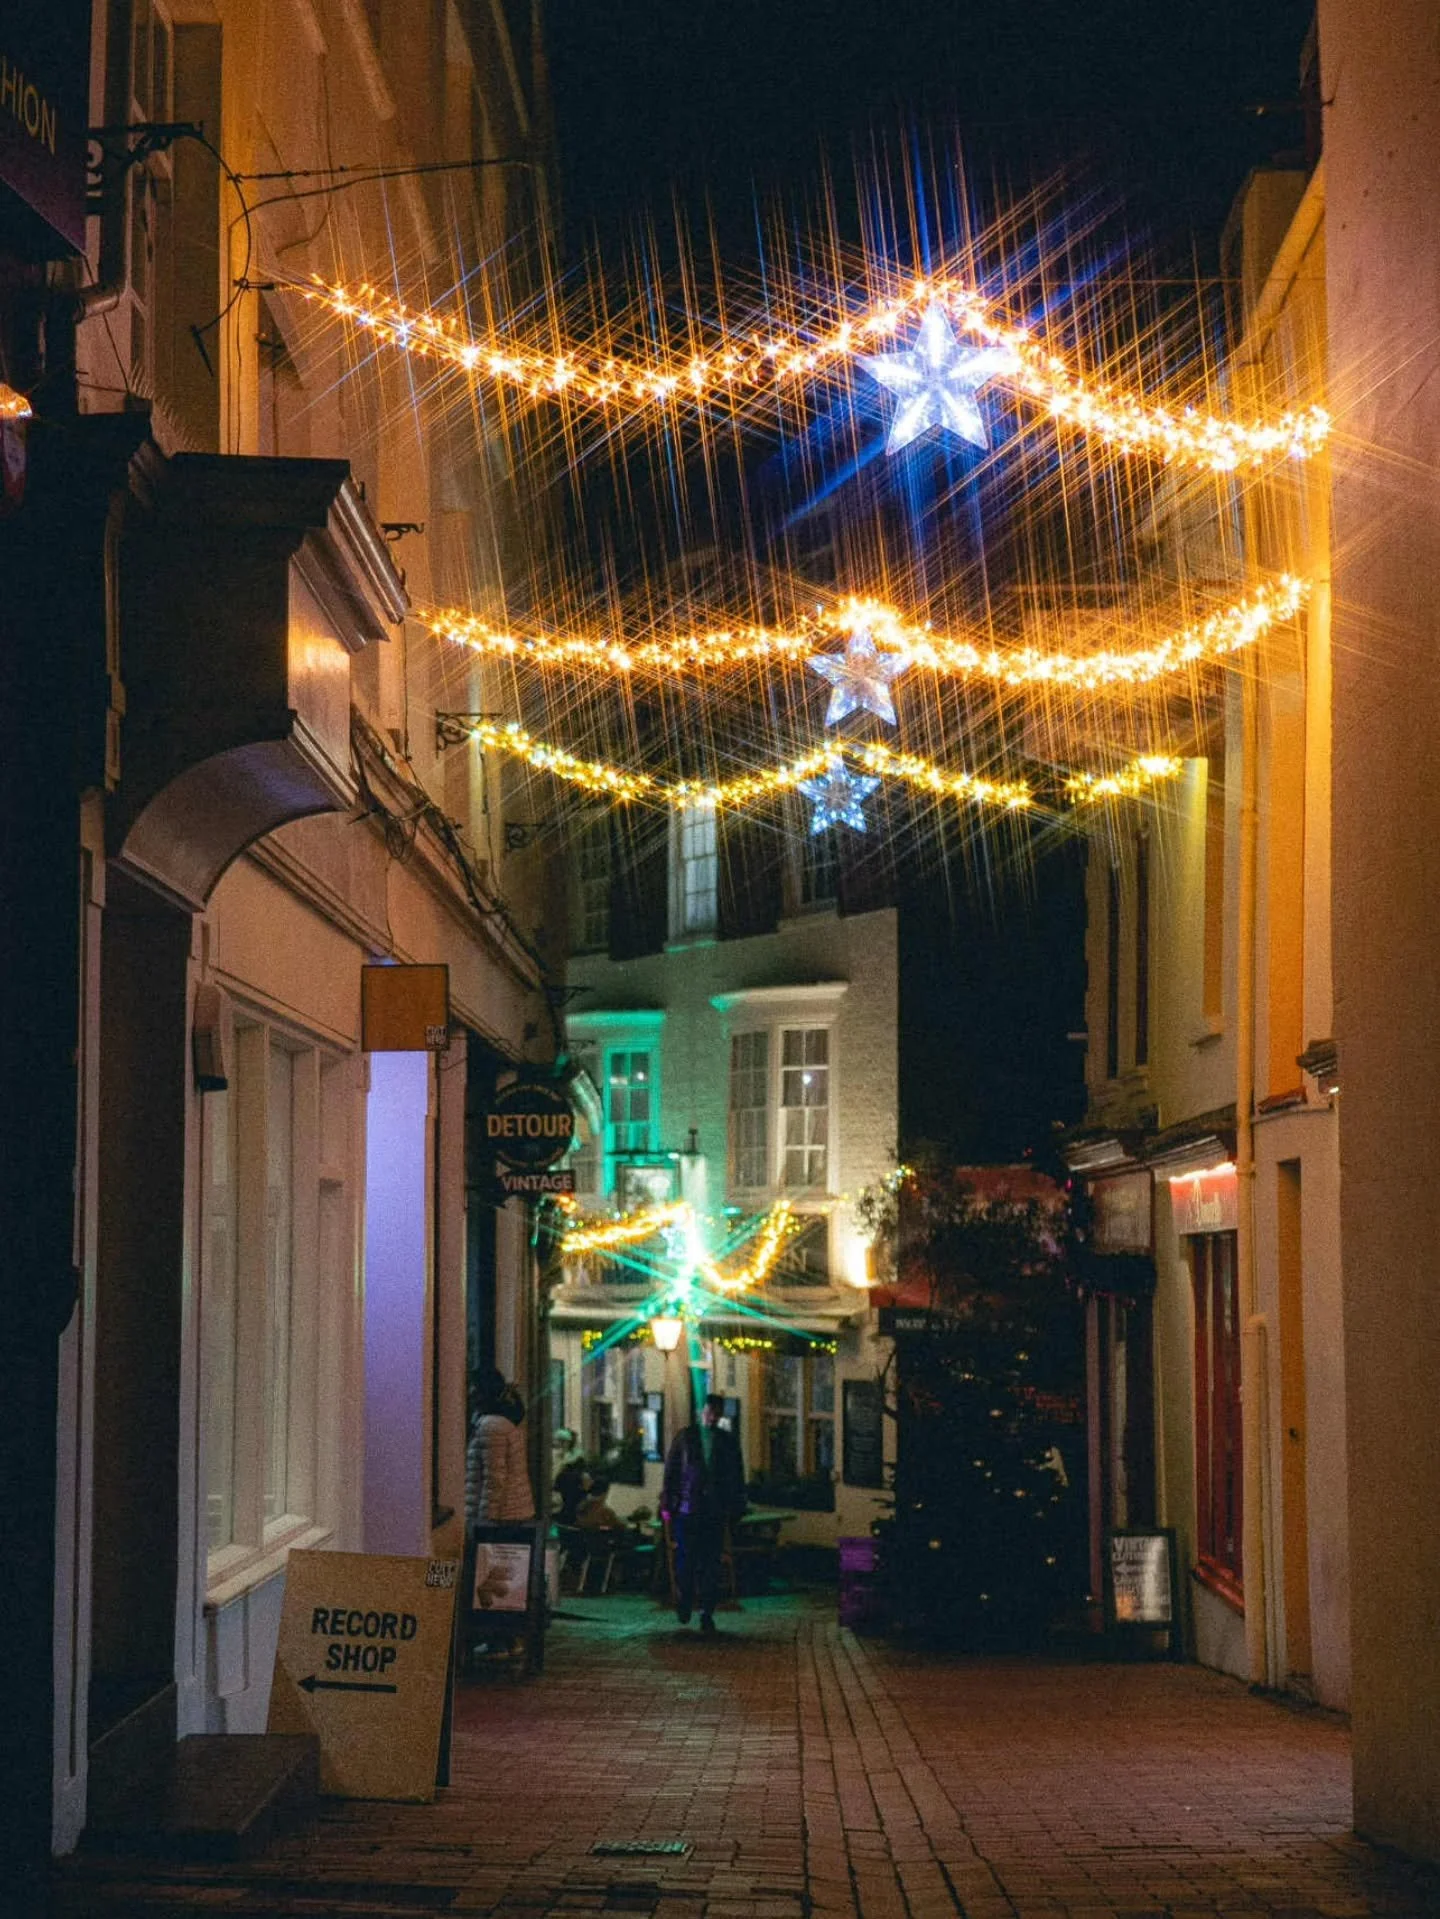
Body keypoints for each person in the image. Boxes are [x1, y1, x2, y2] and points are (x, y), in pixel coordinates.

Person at [661, 1393, 746, 1635]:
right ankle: (686, 1599)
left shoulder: (727, 1442)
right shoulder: (685, 1438)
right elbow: (672, 1472)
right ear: (702, 1412)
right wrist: (669, 1505)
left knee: (711, 1563)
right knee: (686, 1560)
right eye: (709, 1412)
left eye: (716, 1414)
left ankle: (706, 1611)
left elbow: (736, 1475)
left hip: (714, 1512)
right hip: (688, 1510)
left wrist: (736, 1506)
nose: (712, 1417)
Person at [466, 1366, 536, 1529]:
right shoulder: (503, 1421)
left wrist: (483, 1525)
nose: (469, 1392)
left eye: (473, 1386)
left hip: (503, 1517)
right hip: (514, 1513)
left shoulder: (491, 1427)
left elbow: (494, 1480)